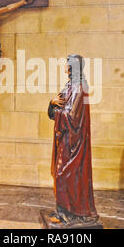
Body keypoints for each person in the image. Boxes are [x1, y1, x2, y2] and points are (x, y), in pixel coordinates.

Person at [47, 54, 99, 227]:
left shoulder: (79, 87)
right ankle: (63, 211)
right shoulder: (69, 85)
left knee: (66, 175)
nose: (64, 67)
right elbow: (58, 106)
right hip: (66, 139)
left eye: (67, 64)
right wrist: (51, 103)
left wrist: (56, 112)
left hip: (74, 142)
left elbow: (73, 117)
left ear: (73, 67)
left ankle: (71, 213)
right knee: (61, 175)